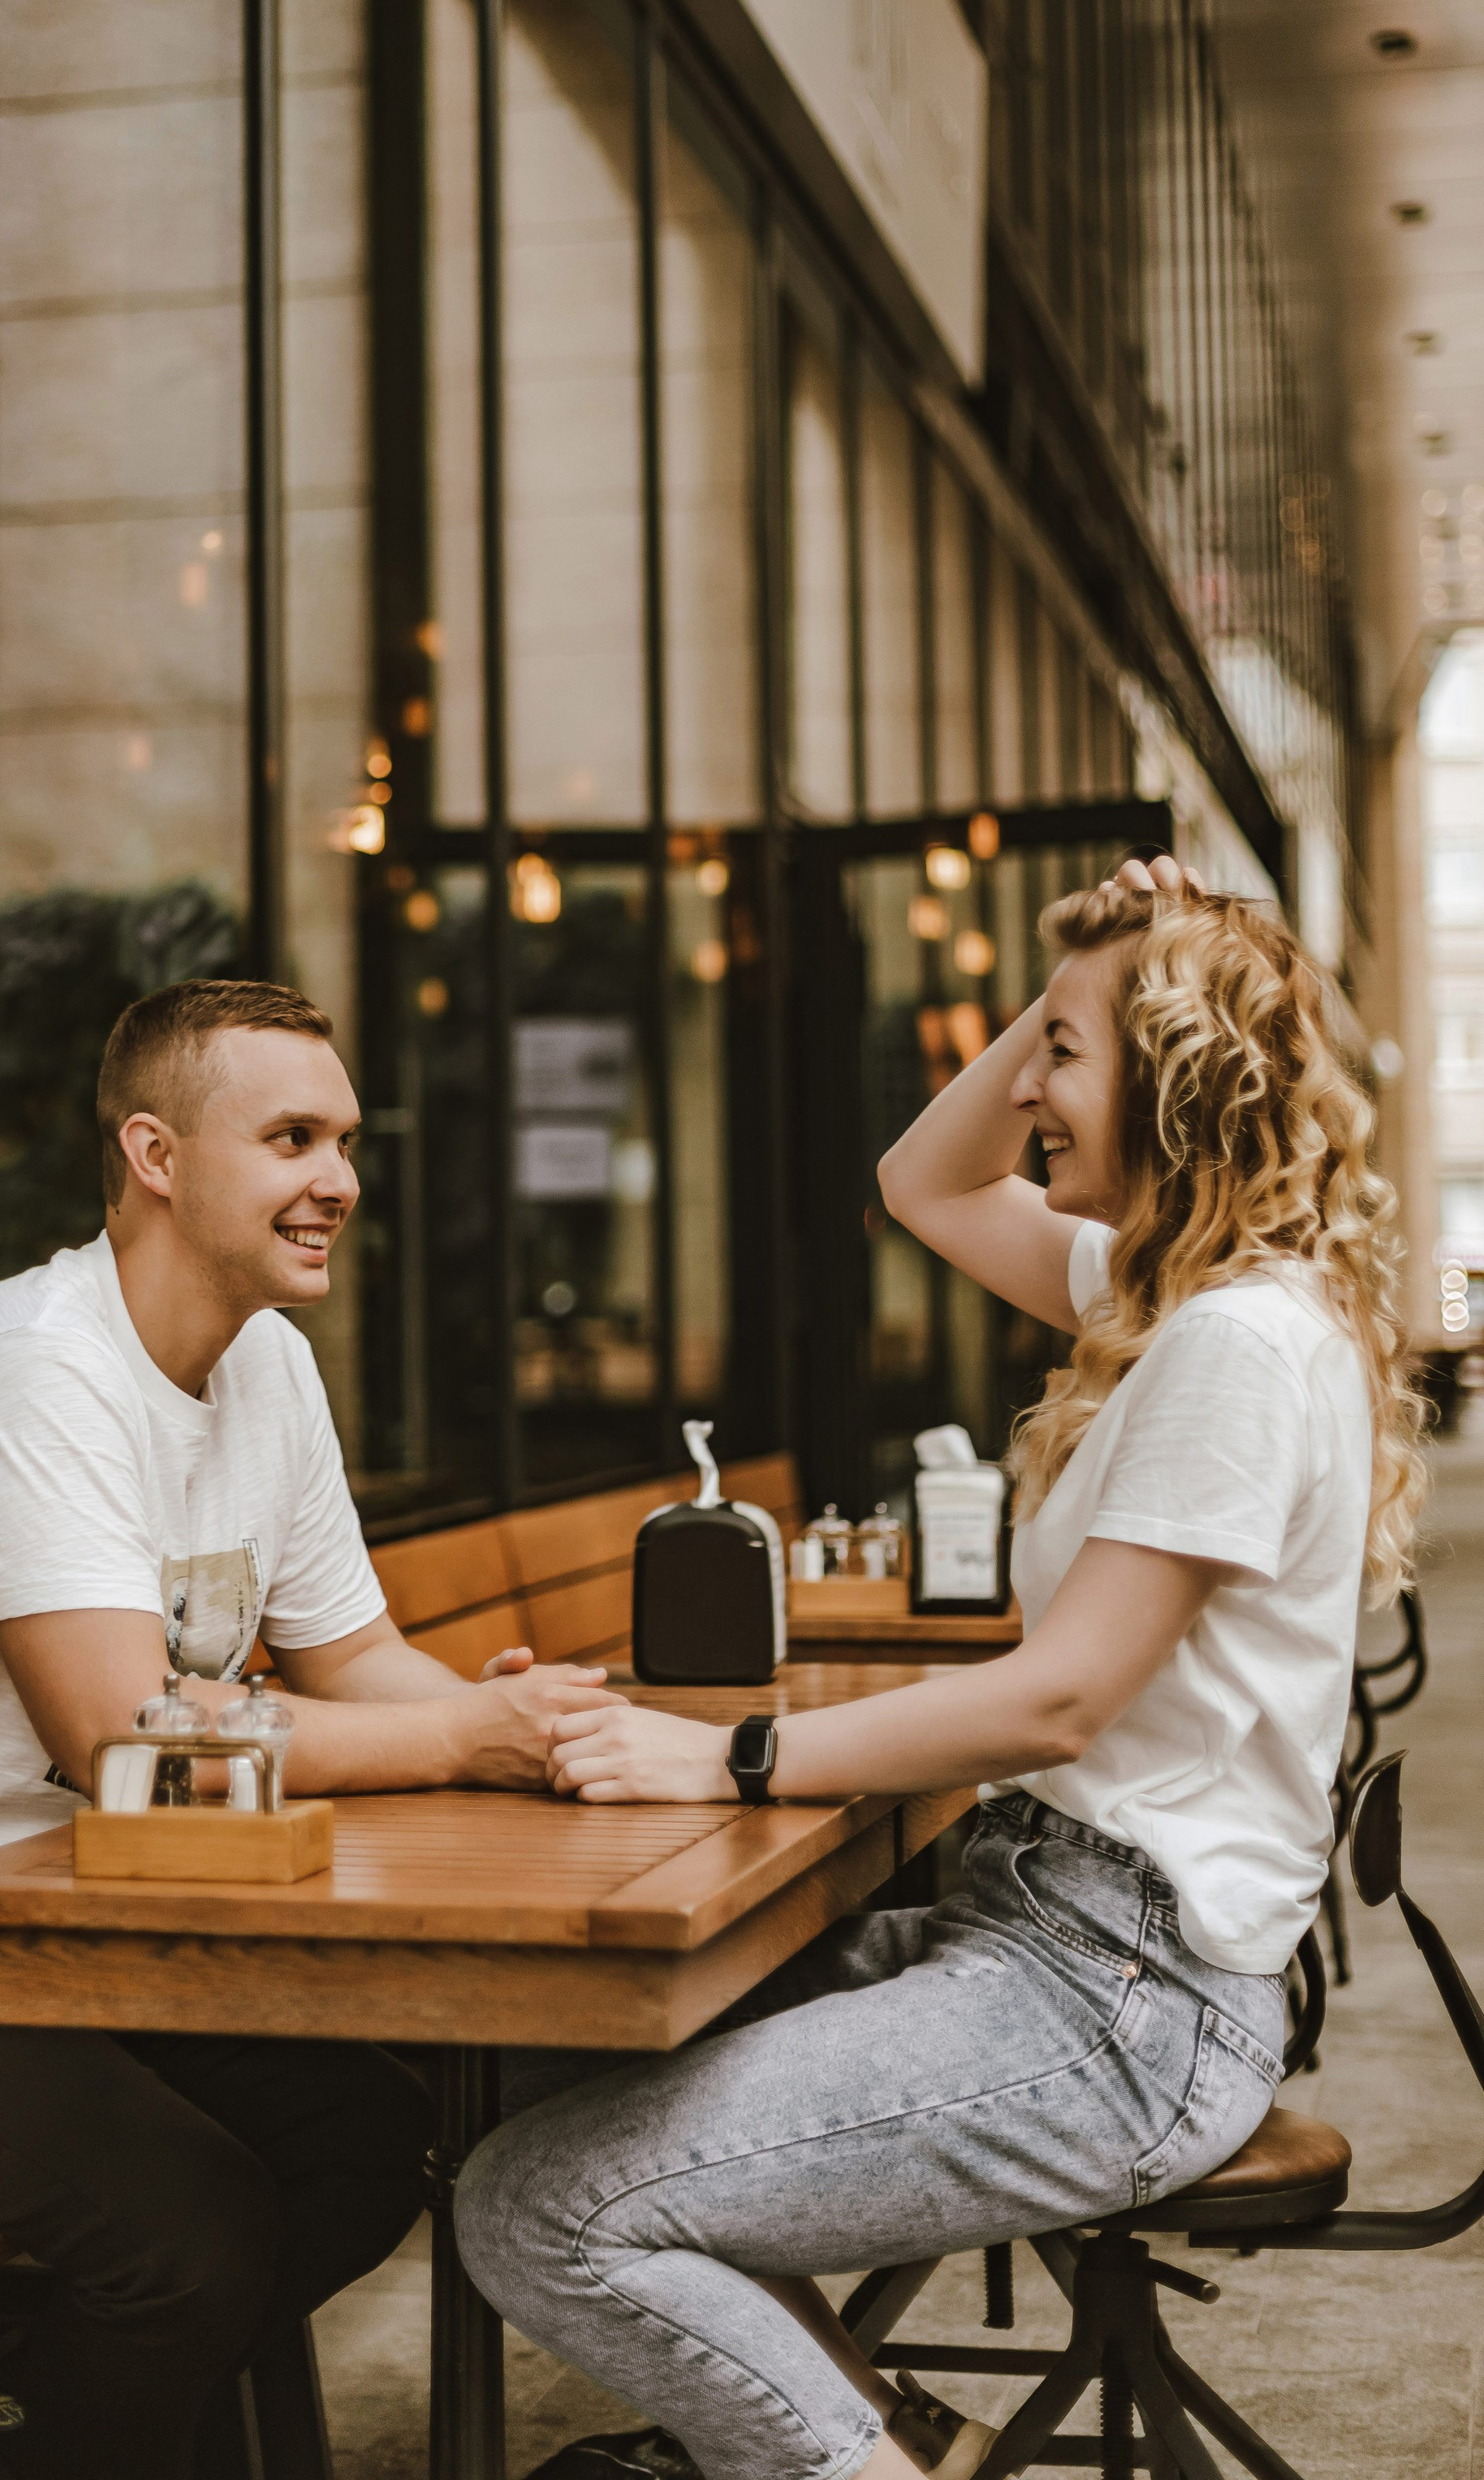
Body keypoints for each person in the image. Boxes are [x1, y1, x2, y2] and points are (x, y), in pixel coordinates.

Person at [454, 860, 1427, 2480]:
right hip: (1053, 1935)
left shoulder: (1234, 1345)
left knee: (536, 2207)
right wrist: (1088, 973)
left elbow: (1058, 1697)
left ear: (1172, 1083)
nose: (1026, 1088)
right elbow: (922, 1178)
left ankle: (861, 2459)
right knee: (585, 2035)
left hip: (1119, 2003)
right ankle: (893, 2431)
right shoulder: (1171, 1297)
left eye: (1062, 1055)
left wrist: (727, 1756)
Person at [0, 977, 619, 2480]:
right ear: (155, 1156)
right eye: (292, 1139)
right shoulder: (35, 1369)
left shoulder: (266, 1363)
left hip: (28, 1948)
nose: (341, 1181)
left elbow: (359, 1660)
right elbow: (126, 1738)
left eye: (347, 1142)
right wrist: (462, 1742)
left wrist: (532, 1726)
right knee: (189, 2233)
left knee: (362, 2138)